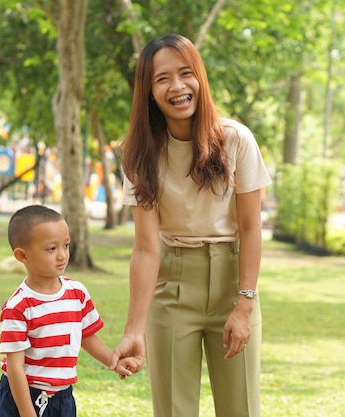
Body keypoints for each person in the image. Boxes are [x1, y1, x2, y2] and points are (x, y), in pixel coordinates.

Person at [109, 34, 272, 417]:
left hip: (233, 281)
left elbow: (250, 228)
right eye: (162, 79)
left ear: (199, 77)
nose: (178, 87)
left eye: (185, 74)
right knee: (173, 411)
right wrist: (134, 329)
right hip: (173, 283)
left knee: (240, 409)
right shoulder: (138, 154)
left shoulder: (236, 139)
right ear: (149, 92)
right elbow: (147, 247)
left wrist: (244, 305)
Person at [0, 205, 143, 417]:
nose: (62, 255)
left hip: (62, 399)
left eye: (66, 245)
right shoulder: (18, 307)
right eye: (51, 249)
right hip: (21, 398)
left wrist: (113, 362)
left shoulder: (77, 293)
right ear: (22, 255)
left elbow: (86, 336)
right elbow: (15, 367)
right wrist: (27, 413)